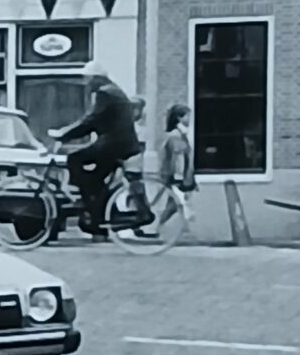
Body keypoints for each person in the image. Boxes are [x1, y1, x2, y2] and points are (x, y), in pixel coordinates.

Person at [52, 64, 147, 238]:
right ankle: (99, 213)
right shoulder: (115, 91)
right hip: (122, 144)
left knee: (74, 159)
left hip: (113, 144)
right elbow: (94, 122)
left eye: (87, 78)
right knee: (95, 179)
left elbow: (91, 120)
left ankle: (90, 206)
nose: (86, 82)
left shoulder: (105, 93)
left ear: (97, 78)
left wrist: (64, 135)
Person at [150, 101, 198, 245]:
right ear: (179, 118)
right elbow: (178, 159)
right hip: (178, 177)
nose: (189, 119)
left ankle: (156, 228)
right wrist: (180, 178)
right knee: (181, 204)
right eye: (187, 116)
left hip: (179, 176)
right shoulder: (176, 136)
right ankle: (185, 232)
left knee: (172, 206)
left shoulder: (179, 135)